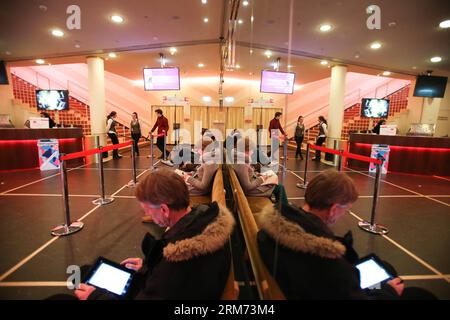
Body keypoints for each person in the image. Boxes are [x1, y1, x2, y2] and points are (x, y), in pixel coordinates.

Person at [256, 170, 436, 300]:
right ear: (334, 209)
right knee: (420, 295)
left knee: (386, 268)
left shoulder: (274, 227)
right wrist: (387, 293)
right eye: (346, 209)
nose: (345, 214)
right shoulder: (326, 259)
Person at [74, 168, 235, 300]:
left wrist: (95, 297)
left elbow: (165, 284)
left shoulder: (177, 261)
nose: (148, 216)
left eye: (148, 211)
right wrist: (149, 267)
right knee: (86, 270)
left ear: (164, 210)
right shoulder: (203, 220)